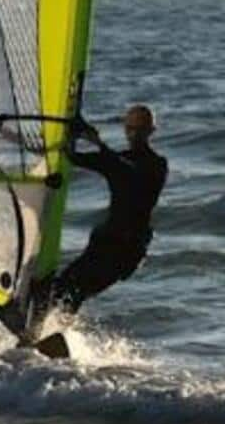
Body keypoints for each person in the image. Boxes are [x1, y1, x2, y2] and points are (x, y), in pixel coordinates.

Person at [22, 104, 167, 335]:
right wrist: (59, 137)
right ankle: (43, 335)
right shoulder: (116, 159)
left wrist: (98, 143)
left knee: (72, 291)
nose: (133, 134)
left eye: (139, 130)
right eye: (130, 129)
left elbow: (130, 173)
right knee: (60, 289)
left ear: (151, 131)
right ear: (125, 129)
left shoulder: (157, 165)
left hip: (126, 251)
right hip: (103, 244)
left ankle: (50, 334)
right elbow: (71, 157)